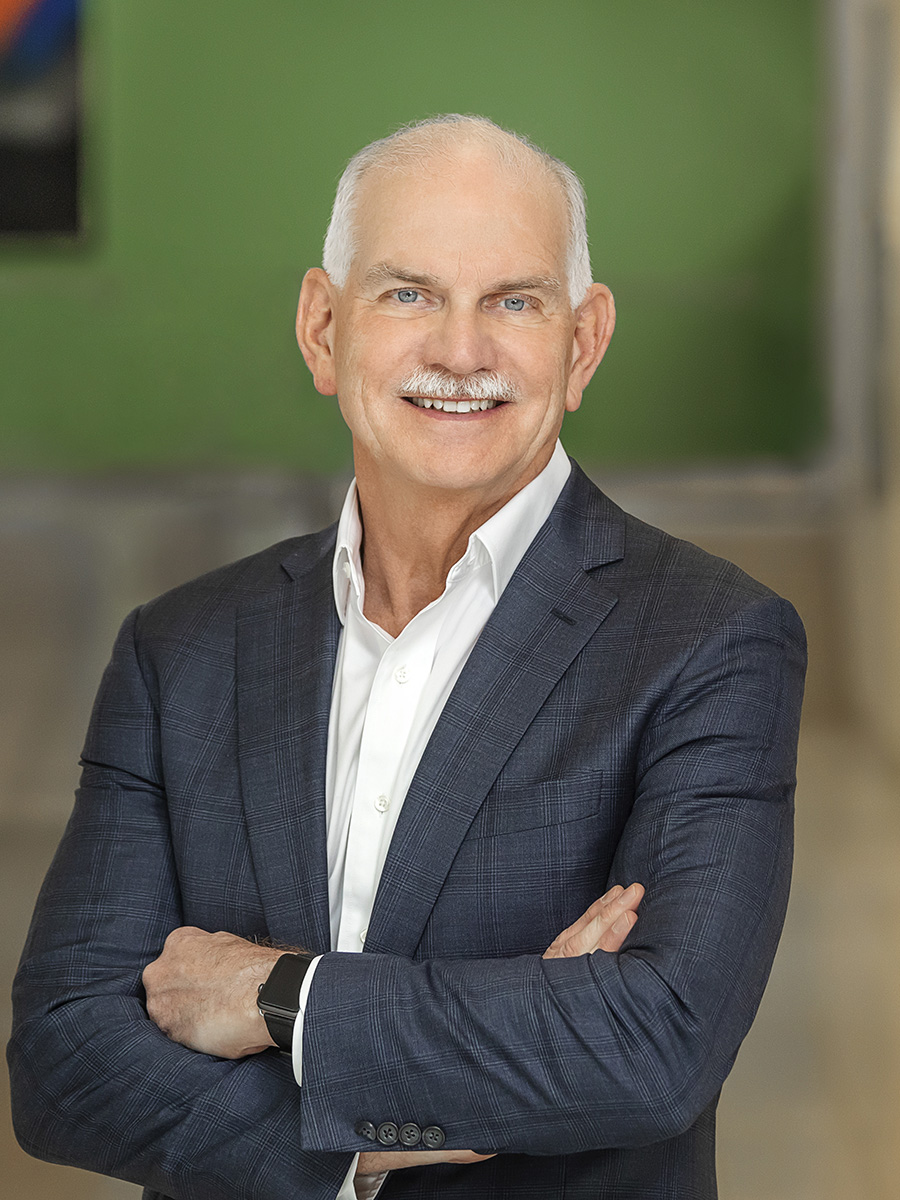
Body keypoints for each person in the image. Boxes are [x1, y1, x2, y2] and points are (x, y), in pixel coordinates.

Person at [8, 115, 806, 1200]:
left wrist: (279, 996)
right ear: (322, 328)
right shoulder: (180, 649)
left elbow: (652, 1046)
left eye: (514, 302)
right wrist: (408, 1115)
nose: (461, 353)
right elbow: (62, 1064)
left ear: (582, 344)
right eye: (408, 294)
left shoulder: (711, 640)